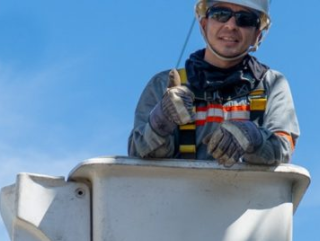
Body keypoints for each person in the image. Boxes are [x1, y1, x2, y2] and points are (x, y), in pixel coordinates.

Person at [128, 0, 299, 166]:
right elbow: (138, 156)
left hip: (247, 187)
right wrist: (161, 121)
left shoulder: (271, 85)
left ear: (257, 35)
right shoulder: (163, 85)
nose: (231, 26)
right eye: (221, 14)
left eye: (245, 19)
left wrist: (254, 137)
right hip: (180, 186)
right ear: (204, 24)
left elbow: (283, 149)